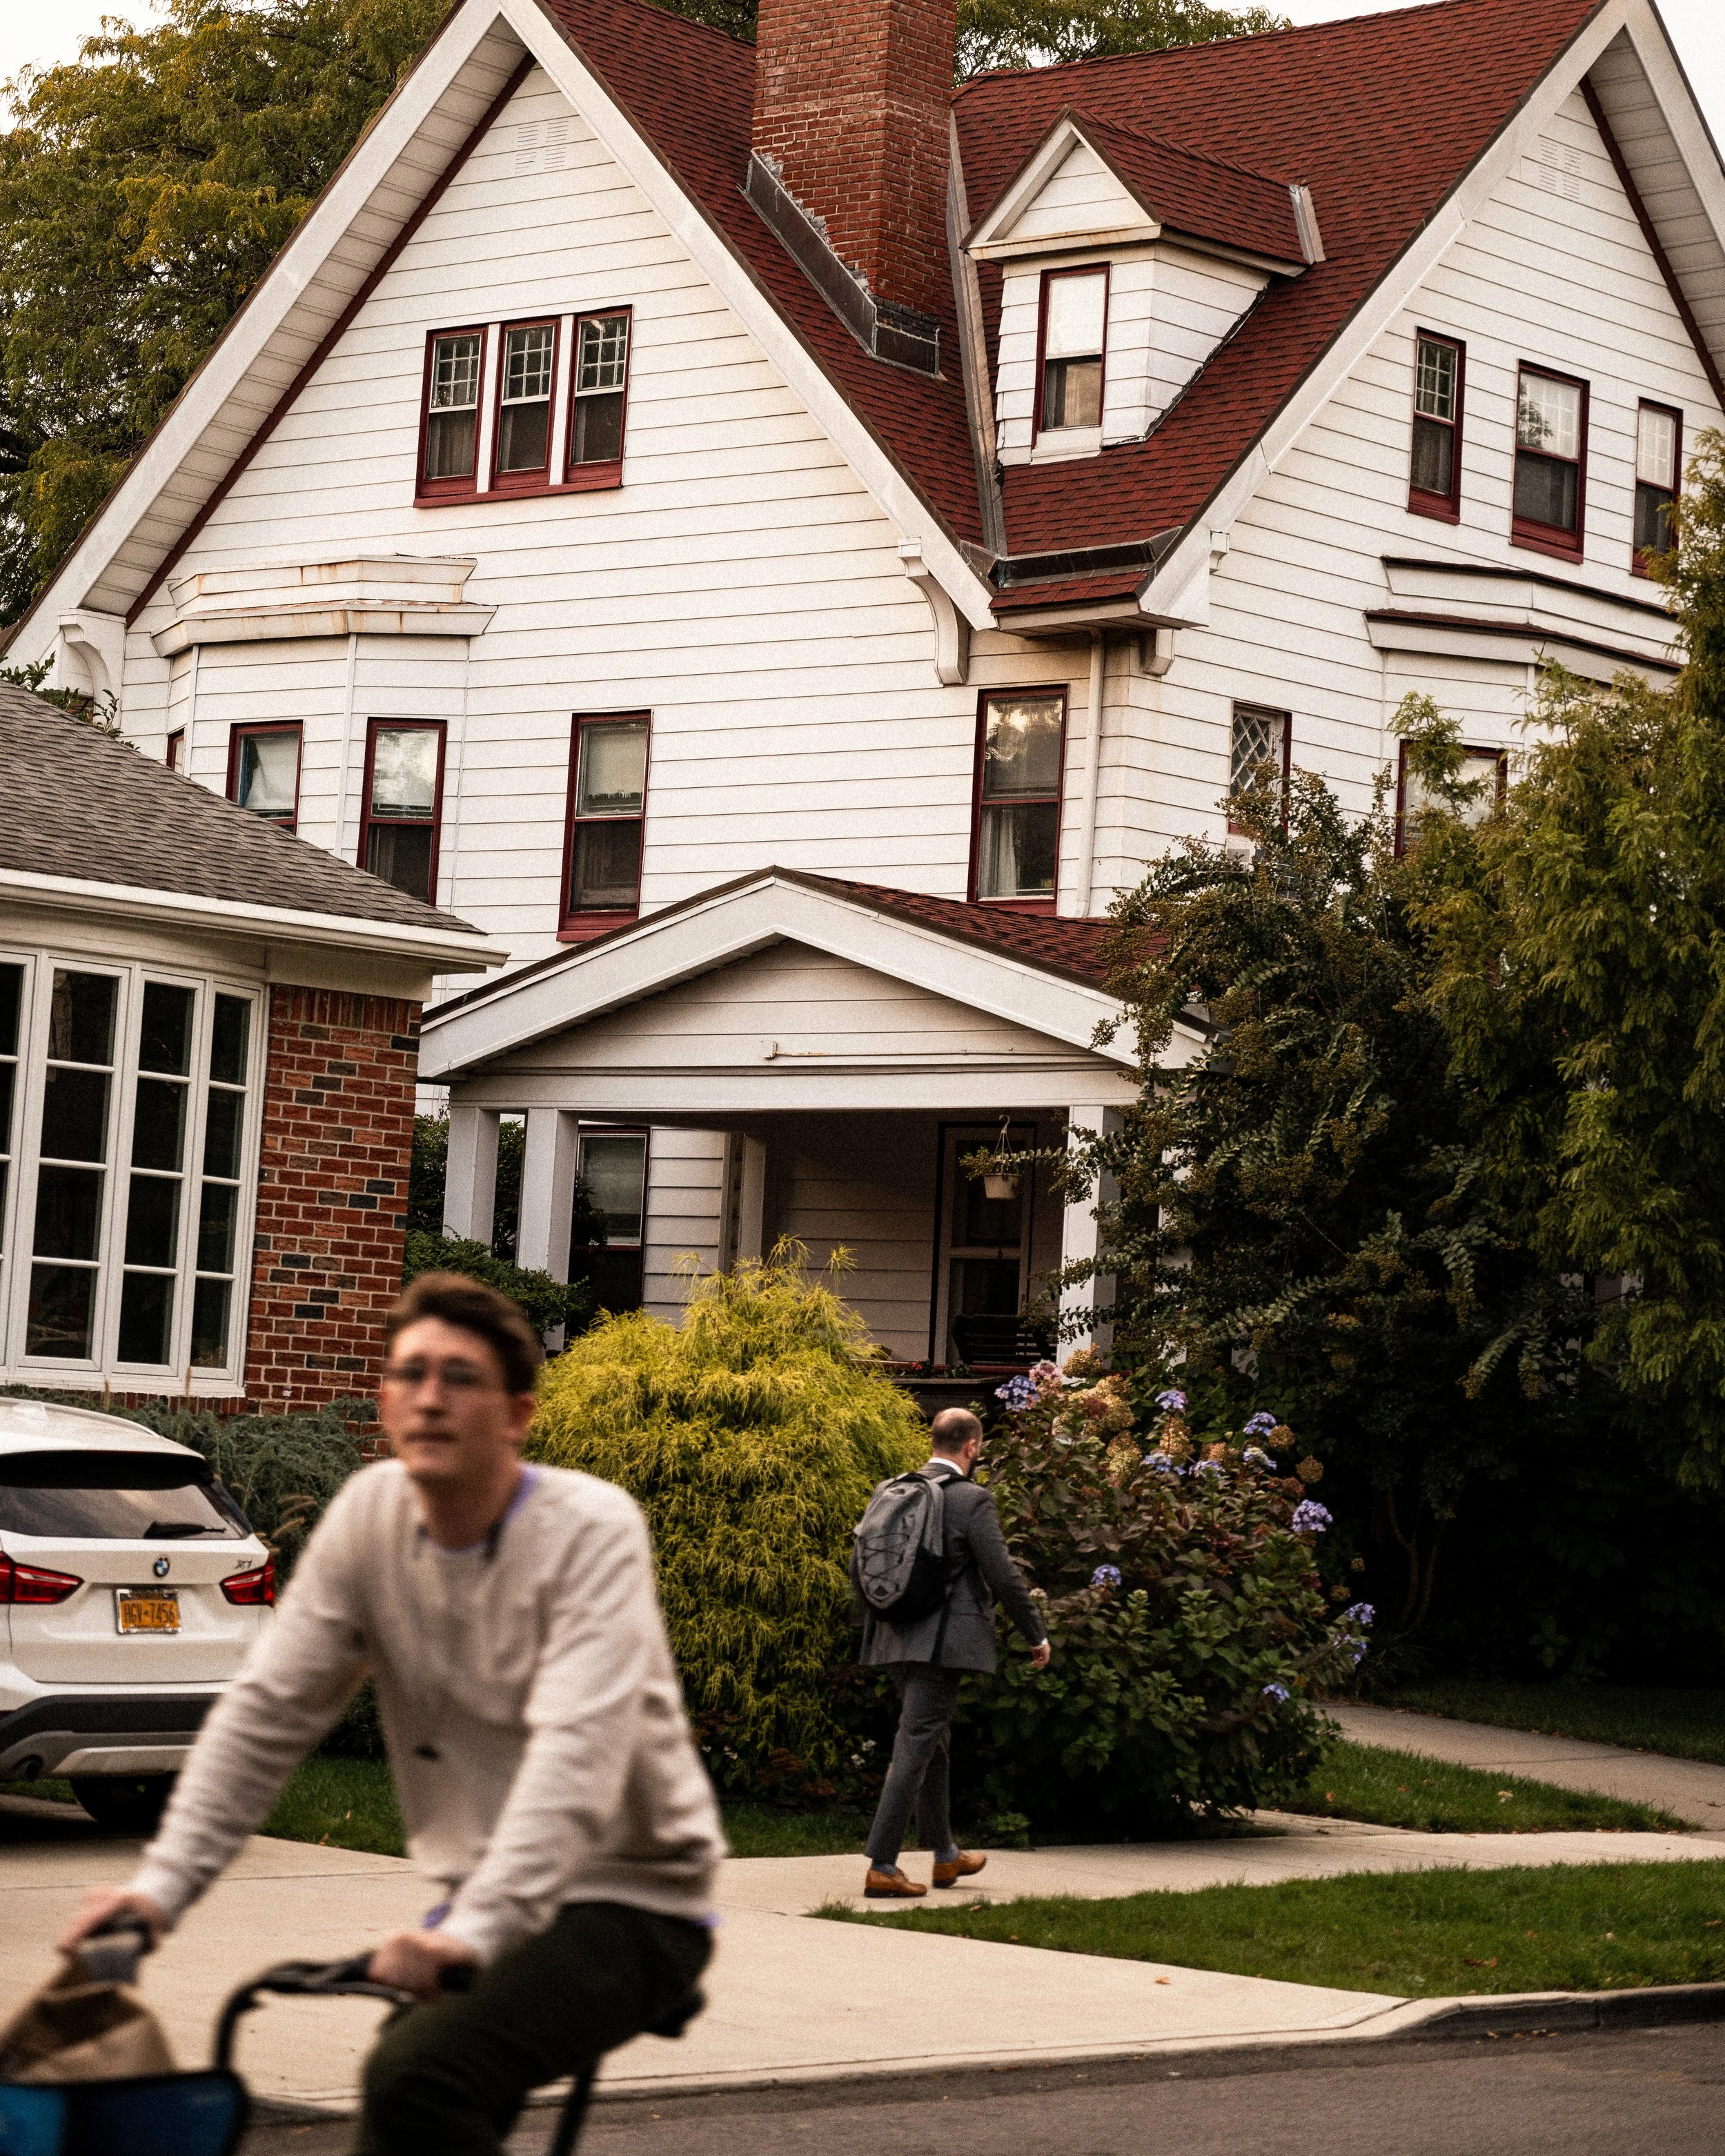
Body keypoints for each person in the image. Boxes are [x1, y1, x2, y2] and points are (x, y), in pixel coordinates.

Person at [61, 1272, 724, 2156]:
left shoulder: (589, 1529)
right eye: (410, 1373)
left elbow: (578, 1751)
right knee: (401, 2107)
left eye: (460, 1376)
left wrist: (472, 1931)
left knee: (419, 2076)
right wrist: (159, 1891)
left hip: (630, 1893)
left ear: (518, 1413)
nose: (430, 1396)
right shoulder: (370, 1518)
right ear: (384, 1400)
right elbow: (266, 1716)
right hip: (485, 1895)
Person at [855, 1405, 1049, 1899]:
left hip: (894, 1635)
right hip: (941, 1645)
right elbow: (1002, 1574)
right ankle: (882, 1863)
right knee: (915, 1746)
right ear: (972, 1447)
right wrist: (1035, 1632)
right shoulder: (971, 1499)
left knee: (931, 1742)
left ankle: (944, 1854)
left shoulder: (892, 1490)